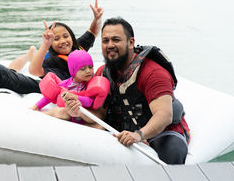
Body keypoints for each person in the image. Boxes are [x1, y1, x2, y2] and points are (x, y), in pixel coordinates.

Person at [63, 17, 190, 164]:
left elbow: (164, 115)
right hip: (122, 128)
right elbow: (100, 113)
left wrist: (139, 135)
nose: (110, 45)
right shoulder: (102, 73)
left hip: (162, 132)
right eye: (105, 41)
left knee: (173, 151)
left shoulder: (153, 72)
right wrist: (79, 112)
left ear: (131, 43)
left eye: (116, 40)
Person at [29, 0, 104, 80]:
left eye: (65, 36)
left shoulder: (77, 47)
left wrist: (97, 19)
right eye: (56, 39)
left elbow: (93, 32)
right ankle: (32, 52)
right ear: (51, 44)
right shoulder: (52, 61)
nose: (63, 41)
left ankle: (33, 51)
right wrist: (46, 43)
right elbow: (34, 71)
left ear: (71, 37)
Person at [32, 50, 109, 123]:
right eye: (83, 68)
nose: (88, 71)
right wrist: (37, 106)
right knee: (63, 112)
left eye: (90, 67)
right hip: (67, 114)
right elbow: (50, 96)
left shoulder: (90, 85)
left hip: (82, 116)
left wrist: (76, 97)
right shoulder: (65, 84)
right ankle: (43, 115)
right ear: (73, 70)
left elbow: (90, 102)